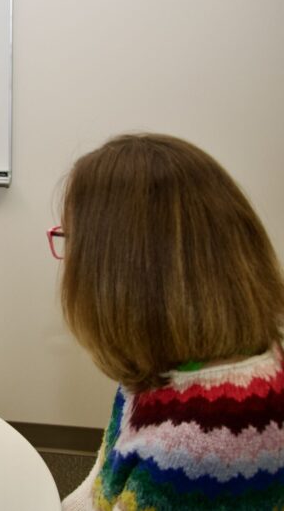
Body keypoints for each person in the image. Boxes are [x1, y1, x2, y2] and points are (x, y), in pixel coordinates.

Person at [50, 134, 284, 510]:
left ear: (123, 271)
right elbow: (101, 485)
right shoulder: (165, 364)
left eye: (70, 239)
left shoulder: (199, 447)